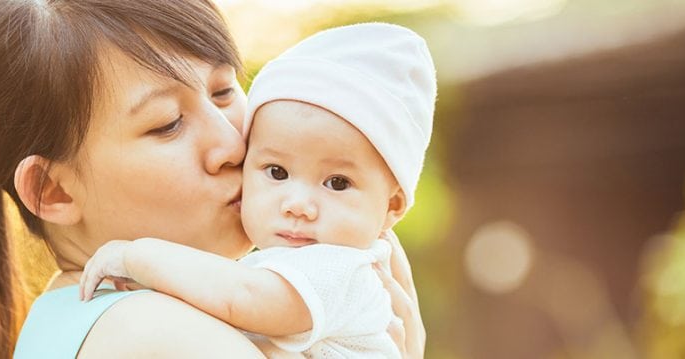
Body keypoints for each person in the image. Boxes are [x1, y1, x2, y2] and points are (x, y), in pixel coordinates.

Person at [0, 0, 425, 358]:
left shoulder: (71, 320)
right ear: (53, 190)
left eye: (225, 91)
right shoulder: (159, 335)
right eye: (167, 123)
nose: (231, 145)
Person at [79, 23, 435, 358]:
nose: (298, 205)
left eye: (337, 183)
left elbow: (243, 296)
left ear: (392, 205)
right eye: (277, 172)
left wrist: (136, 257)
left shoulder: (341, 270)